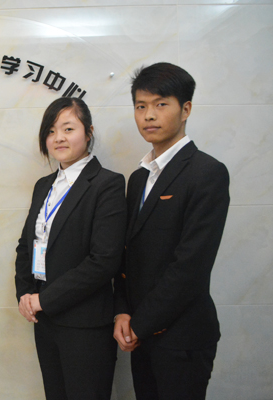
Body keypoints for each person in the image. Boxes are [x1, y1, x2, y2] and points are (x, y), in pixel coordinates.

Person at [113, 62, 230, 400]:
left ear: (186, 109)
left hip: (182, 338)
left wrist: (140, 324)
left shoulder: (207, 172)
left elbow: (191, 266)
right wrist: (122, 311)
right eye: (140, 106)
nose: (149, 115)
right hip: (141, 333)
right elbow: (127, 254)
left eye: (161, 104)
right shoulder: (138, 178)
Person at [15, 97, 126, 399]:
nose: (58, 138)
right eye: (51, 131)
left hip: (85, 325)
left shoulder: (107, 184)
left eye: (68, 128)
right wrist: (25, 293)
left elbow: (103, 261)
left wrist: (44, 300)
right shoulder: (44, 185)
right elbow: (26, 246)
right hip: (45, 321)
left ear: (88, 133)